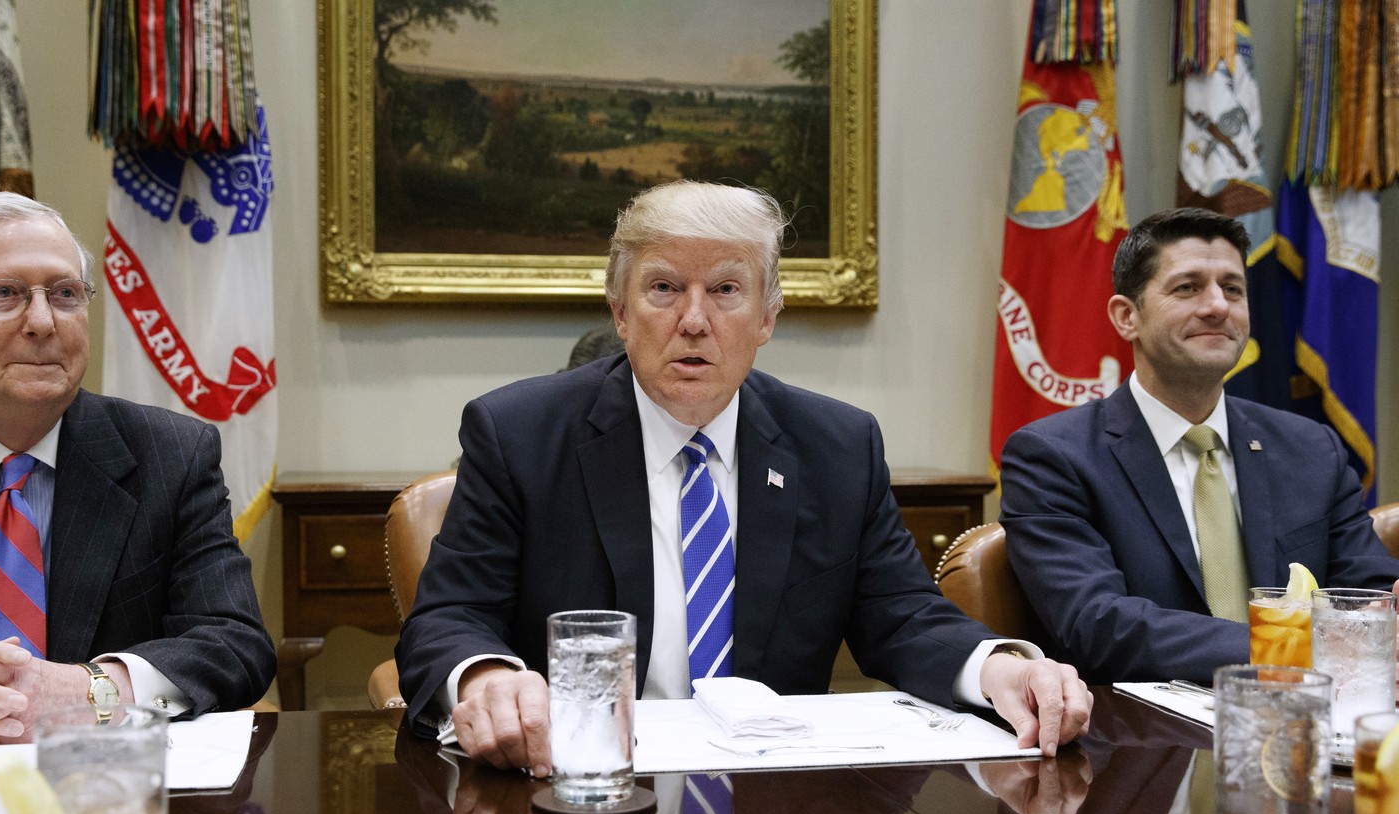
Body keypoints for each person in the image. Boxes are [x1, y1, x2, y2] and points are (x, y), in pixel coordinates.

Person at [396, 180, 1091, 772]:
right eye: (664, 288)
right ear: (620, 312)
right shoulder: (518, 433)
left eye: (726, 290)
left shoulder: (837, 445)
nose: (694, 320)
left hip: (773, 809)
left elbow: (902, 616)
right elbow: (449, 619)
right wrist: (486, 678)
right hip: (577, 795)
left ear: (767, 318)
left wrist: (1000, 668)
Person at [0, 191, 275, 743]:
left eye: (64, 294)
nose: (41, 321)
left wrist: (90, 691)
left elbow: (234, 642)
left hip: (104, 797)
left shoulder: (172, 455)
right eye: (5, 294)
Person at [1000, 206, 1399, 683]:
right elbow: (1096, 624)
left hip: (1304, 725)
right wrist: (1290, 642)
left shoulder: (1311, 449)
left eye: (1233, 288)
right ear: (1127, 317)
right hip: (1141, 743)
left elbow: (1369, 595)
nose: (1217, 306)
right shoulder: (1053, 457)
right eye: (1188, 287)